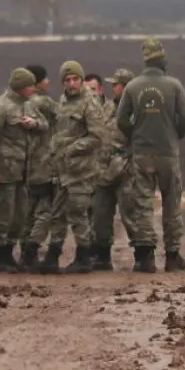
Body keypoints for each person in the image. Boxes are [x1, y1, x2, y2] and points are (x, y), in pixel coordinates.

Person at [117, 37, 185, 272]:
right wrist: (174, 135)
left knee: (142, 203)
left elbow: (121, 120)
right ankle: (172, 256)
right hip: (167, 153)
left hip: (142, 153)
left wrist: (135, 135)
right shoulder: (174, 86)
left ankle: (146, 258)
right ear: (163, 62)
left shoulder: (132, 87)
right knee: (172, 203)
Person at [0, 67, 45, 273]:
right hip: (5, 170)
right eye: (29, 86)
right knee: (4, 214)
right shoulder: (0, 107)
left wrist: (34, 124)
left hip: (23, 170)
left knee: (20, 215)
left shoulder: (28, 105)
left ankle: (9, 252)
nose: (33, 89)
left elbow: (45, 124)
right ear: (21, 87)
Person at [50, 61, 110, 273]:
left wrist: (74, 148)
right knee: (56, 214)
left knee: (78, 213)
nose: (72, 84)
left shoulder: (90, 103)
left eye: (75, 79)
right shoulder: (63, 101)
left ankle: (84, 256)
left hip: (81, 169)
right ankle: (51, 257)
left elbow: (97, 136)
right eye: (67, 80)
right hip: (62, 169)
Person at [90, 68, 138, 271]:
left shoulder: (137, 111)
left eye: (116, 84)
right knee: (100, 214)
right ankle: (101, 256)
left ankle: (144, 255)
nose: (112, 88)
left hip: (126, 169)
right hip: (103, 170)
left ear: (126, 87)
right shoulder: (108, 107)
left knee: (132, 214)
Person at [21, 64, 63, 273]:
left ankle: (24, 254)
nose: (48, 82)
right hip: (45, 163)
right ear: (37, 82)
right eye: (45, 78)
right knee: (46, 210)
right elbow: (62, 118)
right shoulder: (44, 102)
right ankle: (32, 247)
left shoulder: (20, 102)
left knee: (27, 211)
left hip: (26, 164)